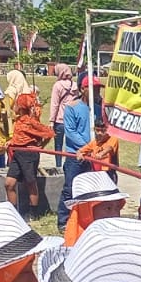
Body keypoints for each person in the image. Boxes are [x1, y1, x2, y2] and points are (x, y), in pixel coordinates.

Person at [8, 92, 53, 216]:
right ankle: (13, 213)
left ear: (21, 107)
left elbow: (49, 133)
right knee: (9, 183)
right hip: (17, 153)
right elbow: (19, 136)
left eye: (16, 104)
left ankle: (34, 213)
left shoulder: (29, 121)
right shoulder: (18, 120)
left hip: (28, 154)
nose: (14, 107)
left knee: (30, 183)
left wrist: (40, 146)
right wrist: (11, 142)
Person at [54, 84, 93, 228]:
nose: (96, 91)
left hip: (93, 156)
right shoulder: (72, 107)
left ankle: (86, 219)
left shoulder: (96, 108)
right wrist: (87, 147)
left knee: (89, 189)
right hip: (74, 155)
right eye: (91, 87)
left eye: (97, 88)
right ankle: (64, 221)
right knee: (70, 188)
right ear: (83, 89)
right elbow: (70, 131)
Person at [61, 170, 127, 246]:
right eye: (108, 208)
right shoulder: (74, 250)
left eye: (118, 207)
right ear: (86, 213)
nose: (115, 215)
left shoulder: (122, 242)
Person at [49, 63, 76, 163]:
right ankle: (70, 164)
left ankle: (58, 165)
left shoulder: (57, 85)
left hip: (59, 120)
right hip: (72, 120)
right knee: (71, 145)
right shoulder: (75, 85)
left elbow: (54, 104)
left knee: (58, 145)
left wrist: (51, 121)